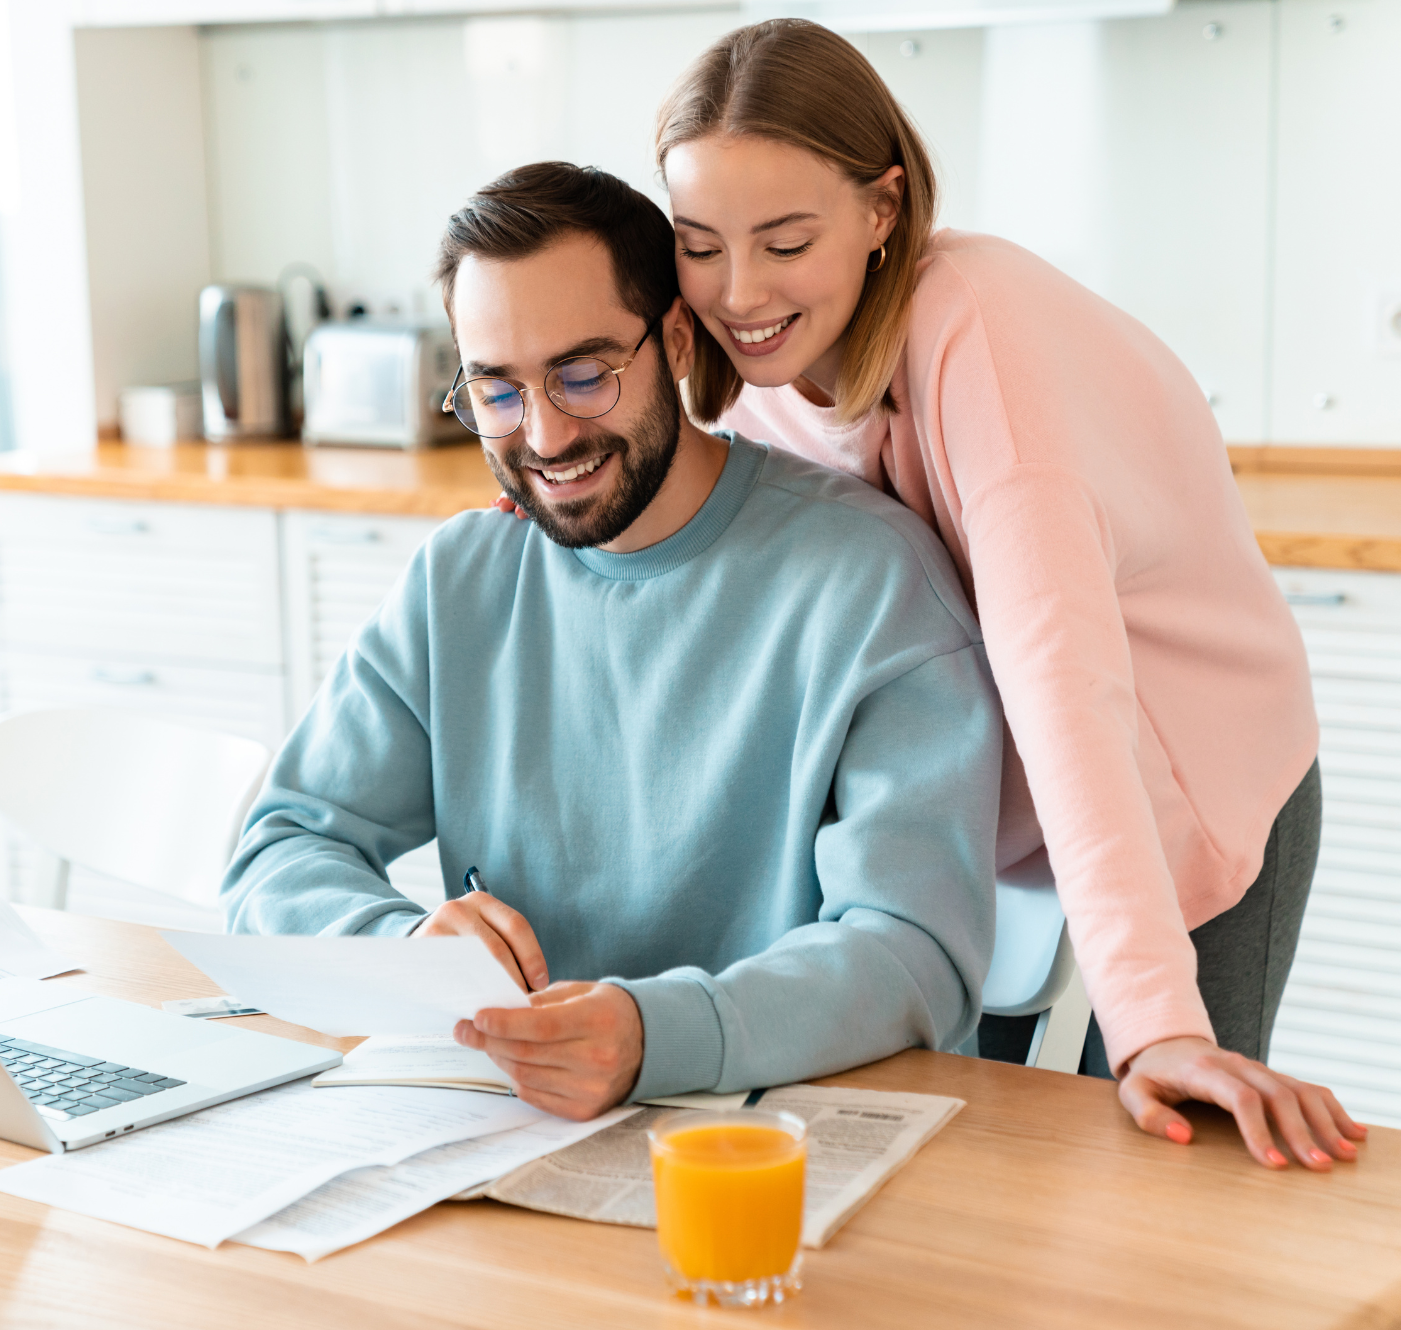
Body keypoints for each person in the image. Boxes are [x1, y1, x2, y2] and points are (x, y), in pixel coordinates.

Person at [644, 17, 1360, 1168]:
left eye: (784, 241)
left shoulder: (981, 341)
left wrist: (1155, 1021)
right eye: (699, 243)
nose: (739, 292)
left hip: (1176, 775)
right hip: (989, 816)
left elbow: (1059, 677)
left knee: (1161, 1169)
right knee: (999, 1182)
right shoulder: (753, 385)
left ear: (881, 209)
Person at [222, 161, 1004, 1121]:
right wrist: (402, 949)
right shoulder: (461, 578)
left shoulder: (869, 581)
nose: (545, 436)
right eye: (497, 392)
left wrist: (657, 1036)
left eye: (584, 374)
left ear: (676, 337)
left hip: (782, 1135)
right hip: (510, 1128)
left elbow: (917, 952)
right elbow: (280, 847)